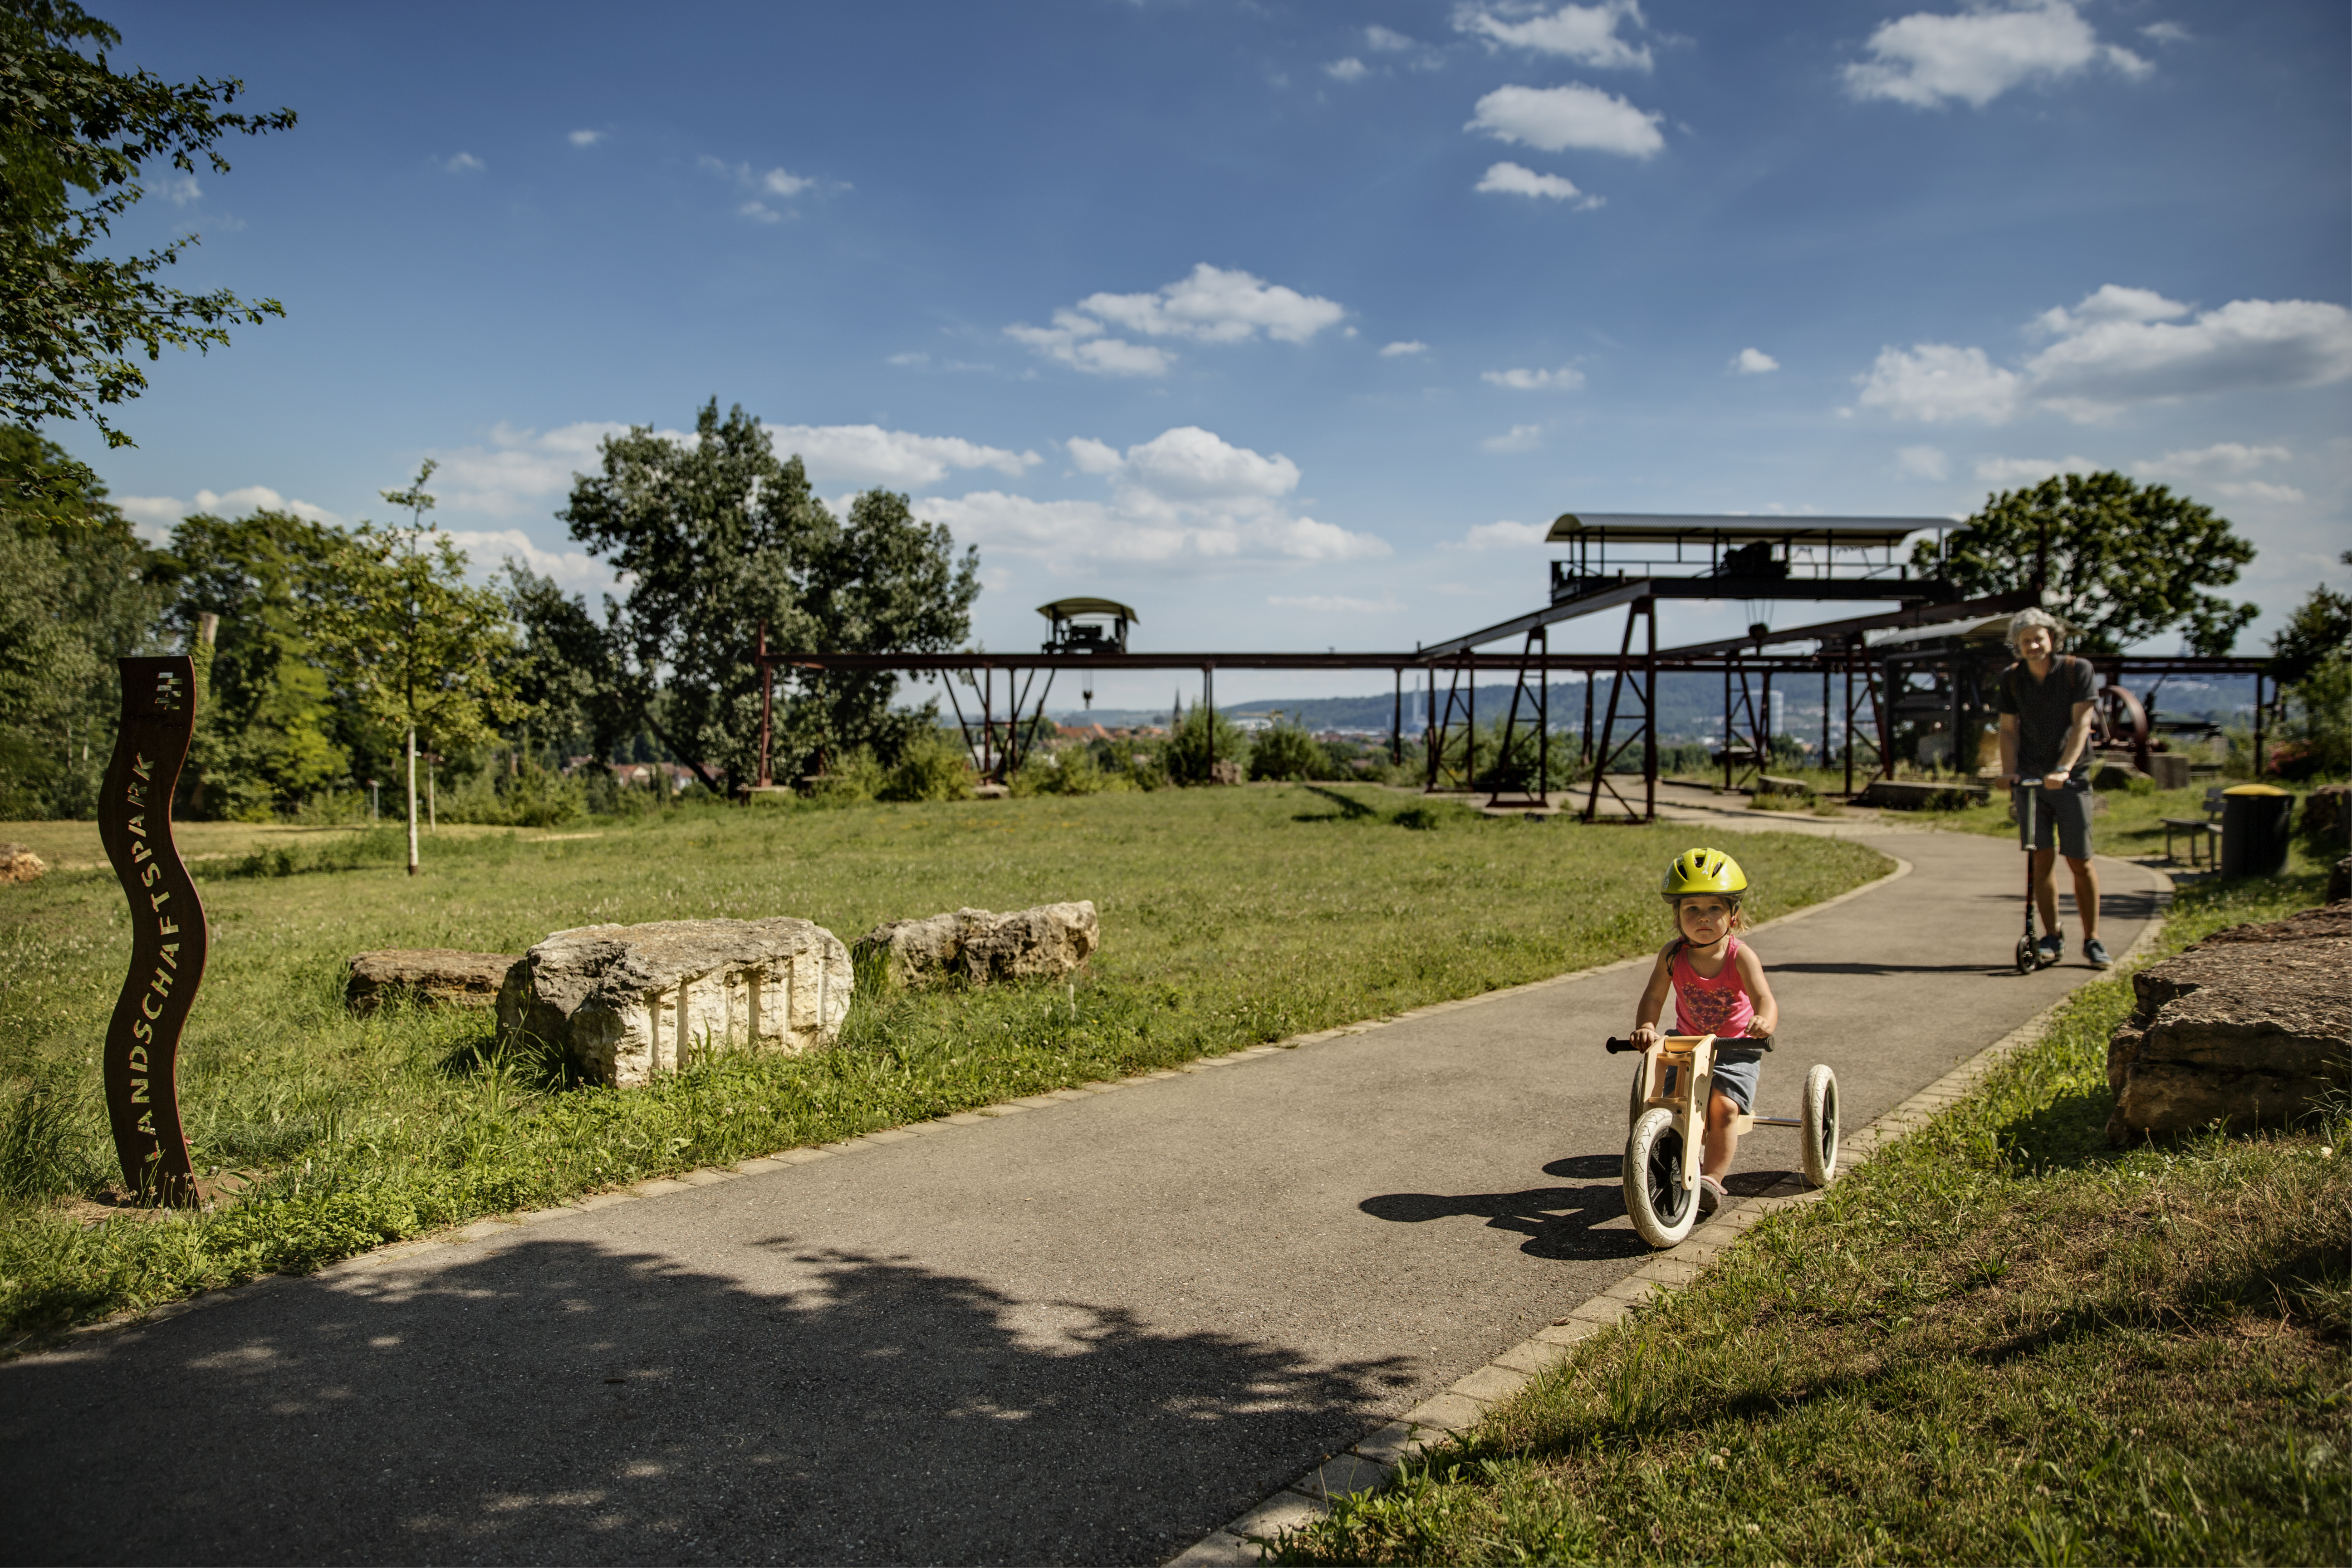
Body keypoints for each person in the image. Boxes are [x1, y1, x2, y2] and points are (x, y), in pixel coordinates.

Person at [1629, 847, 1779, 1216]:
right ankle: (1674, 1154)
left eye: (1715, 908)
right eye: (1691, 909)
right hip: (1687, 1044)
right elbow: (1653, 997)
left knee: (1724, 1110)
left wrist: (1764, 1021)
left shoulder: (1739, 955)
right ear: (1677, 916)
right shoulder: (1672, 955)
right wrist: (1646, 1026)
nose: (1704, 918)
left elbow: (1765, 998)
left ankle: (1711, 1179)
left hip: (1736, 1048)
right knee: (1670, 1106)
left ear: (1734, 914)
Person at [1994, 607, 2108, 969]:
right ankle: (2051, 937)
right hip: (2030, 779)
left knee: (2079, 860)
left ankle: (2093, 939)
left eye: (2038, 639)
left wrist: (2064, 768)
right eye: (2025, 641)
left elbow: (2082, 724)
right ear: (2017, 645)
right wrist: (2009, 773)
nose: (2032, 646)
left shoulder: (2077, 671)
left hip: (2070, 779)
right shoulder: (2012, 679)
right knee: (2040, 859)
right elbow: (2009, 729)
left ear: (2052, 639)